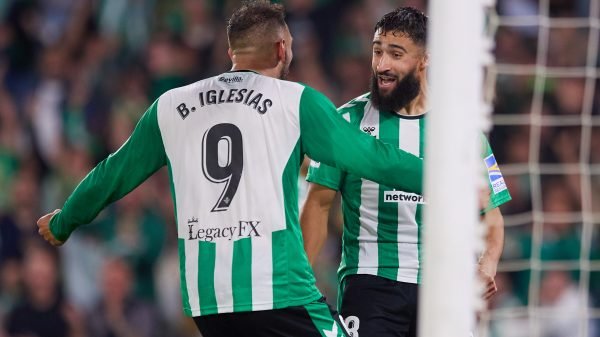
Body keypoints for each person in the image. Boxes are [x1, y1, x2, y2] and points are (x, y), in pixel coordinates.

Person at [36, 2, 427, 336]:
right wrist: (445, 176)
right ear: (280, 49)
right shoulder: (296, 101)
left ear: (231, 52)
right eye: (289, 46)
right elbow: (373, 158)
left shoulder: (171, 106)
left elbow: (111, 174)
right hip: (276, 291)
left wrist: (63, 220)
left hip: (208, 302)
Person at [301, 7, 512, 337]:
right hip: (370, 283)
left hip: (443, 285)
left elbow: (491, 215)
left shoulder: (461, 128)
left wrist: (487, 263)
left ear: (425, 59)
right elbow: (318, 204)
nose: (382, 65)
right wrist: (299, 282)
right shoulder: (345, 123)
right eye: (377, 51)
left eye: (395, 54)